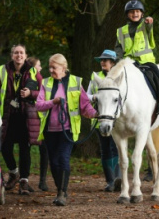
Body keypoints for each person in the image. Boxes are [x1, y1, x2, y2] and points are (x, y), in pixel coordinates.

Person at [35, 53, 97, 206]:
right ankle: (60, 189)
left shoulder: (75, 82)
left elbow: (85, 106)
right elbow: (38, 105)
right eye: (49, 67)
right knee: (54, 163)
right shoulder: (46, 83)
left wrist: (96, 115)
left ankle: (61, 193)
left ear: (63, 68)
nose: (50, 70)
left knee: (63, 158)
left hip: (67, 130)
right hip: (50, 131)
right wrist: (53, 102)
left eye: (54, 67)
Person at [0, 44, 43, 195]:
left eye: (21, 53)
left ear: (26, 56)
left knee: (24, 148)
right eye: (16, 53)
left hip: (26, 117)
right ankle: (14, 173)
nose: (19, 55)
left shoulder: (33, 72)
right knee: (5, 146)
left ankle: (24, 182)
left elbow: (42, 93)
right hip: (8, 115)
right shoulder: (4, 71)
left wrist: (31, 94)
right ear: (12, 55)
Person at [114, 0, 159, 116]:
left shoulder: (145, 25)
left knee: (157, 76)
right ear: (127, 14)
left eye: (137, 11)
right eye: (131, 12)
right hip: (129, 62)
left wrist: (149, 22)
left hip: (146, 62)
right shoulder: (120, 31)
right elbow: (118, 48)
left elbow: (149, 27)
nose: (135, 14)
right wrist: (118, 62)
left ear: (142, 13)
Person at [87, 49, 121, 192]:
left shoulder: (119, 78)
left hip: (115, 121)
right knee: (105, 149)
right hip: (100, 119)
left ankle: (118, 178)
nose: (102, 62)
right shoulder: (95, 77)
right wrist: (95, 97)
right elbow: (86, 96)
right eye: (101, 60)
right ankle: (110, 181)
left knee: (115, 148)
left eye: (105, 60)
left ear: (113, 63)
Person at [26, 56, 50, 191]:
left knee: (43, 149)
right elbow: (42, 94)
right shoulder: (30, 79)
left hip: (40, 117)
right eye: (39, 65)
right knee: (31, 149)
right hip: (33, 117)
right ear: (33, 67)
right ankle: (31, 180)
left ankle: (42, 180)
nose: (40, 68)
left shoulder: (40, 79)